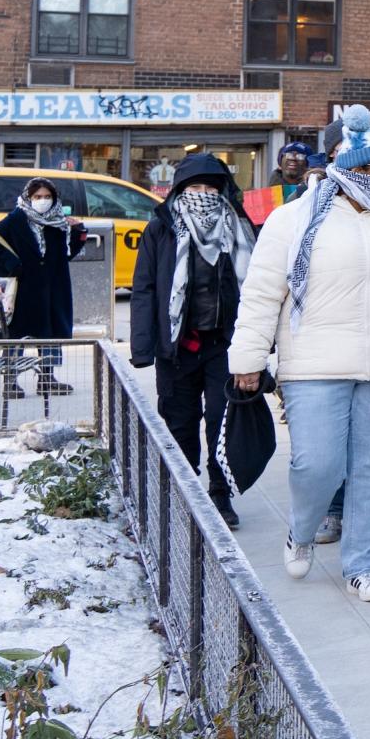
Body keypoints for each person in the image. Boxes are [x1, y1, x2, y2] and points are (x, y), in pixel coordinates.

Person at [229, 105, 370, 604]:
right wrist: (248, 358)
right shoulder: (294, 219)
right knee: (317, 465)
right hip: (314, 363)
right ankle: (302, 528)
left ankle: (363, 563)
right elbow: (263, 291)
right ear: (351, 168)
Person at [128, 155, 253, 528]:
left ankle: (219, 492)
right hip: (177, 348)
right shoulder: (161, 229)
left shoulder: (240, 227)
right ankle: (184, 495)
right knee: (179, 425)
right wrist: (143, 346)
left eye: (211, 188)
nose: (203, 195)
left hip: (224, 345)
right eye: (195, 188)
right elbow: (144, 288)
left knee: (221, 422)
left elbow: (258, 287)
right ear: (180, 190)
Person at [0, 177, 88, 401]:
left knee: (49, 336)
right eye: (37, 197)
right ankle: (10, 381)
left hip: (52, 289)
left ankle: (47, 379)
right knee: (16, 337)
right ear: (28, 198)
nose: (42, 201)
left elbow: (65, 254)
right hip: (23, 291)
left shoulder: (59, 222)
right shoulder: (15, 220)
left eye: (47, 197)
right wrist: (14, 264)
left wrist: (79, 232)